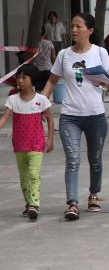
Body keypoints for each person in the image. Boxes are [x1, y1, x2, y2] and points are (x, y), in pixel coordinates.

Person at [42, 13, 109, 220]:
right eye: (72, 25)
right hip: (70, 116)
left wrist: (103, 80)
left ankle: (93, 194)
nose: (74, 30)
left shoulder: (100, 53)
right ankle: (72, 203)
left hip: (95, 115)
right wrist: (40, 103)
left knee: (95, 159)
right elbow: (52, 81)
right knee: (73, 159)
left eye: (78, 26)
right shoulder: (64, 55)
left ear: (90, 31)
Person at [0, 64, 54, 220]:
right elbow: (4, 118)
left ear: (33, 80)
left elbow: (50, 119)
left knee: (33, 174)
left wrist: (49, 139)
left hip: (36, 144)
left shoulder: (41, 100)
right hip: (19, 144)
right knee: (23, 176)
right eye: (18, 77)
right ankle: (28, 203)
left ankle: (34, 204)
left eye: (24, 77)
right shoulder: (12, 100)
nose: (20, 80)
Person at [33, 26, 56, 92]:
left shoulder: (35, 44)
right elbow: (53, 57)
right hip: (48, 69)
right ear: (44, 33)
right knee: (47, 90)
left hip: (37, 69)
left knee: (37, 90)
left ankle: (38, 102)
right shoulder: (49, 43)